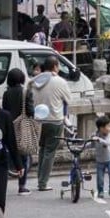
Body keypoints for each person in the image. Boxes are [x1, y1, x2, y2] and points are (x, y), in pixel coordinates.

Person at [31, 55, 73, 191]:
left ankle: (40, 180)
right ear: (55, 66)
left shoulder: (35, 81)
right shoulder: (60, 82)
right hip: (54, 120)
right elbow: (69, 99)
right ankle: (42, 183)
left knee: (42, 149)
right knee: (49, 152)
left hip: (38, 120)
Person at [2, 68, 36, 195]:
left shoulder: (6, 94)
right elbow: (30, 111)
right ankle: (22, 186)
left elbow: (5, 110)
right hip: (22, 127)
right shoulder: (26, 92)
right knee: (24, 157)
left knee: (8, 155)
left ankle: (2, 183)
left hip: (9, 127)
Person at [94, 115, 110, 199]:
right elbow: (92, 144)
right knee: (100, 178)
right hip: (100, 160)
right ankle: (100, 191)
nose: (109, 128)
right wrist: (82, 146)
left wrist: (98, 139)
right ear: (101, 128)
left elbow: (107, 143)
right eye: (108, 126)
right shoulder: (95, 135)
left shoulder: (109, 135)